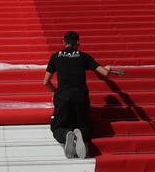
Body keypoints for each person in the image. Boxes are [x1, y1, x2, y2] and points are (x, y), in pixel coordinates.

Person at [44, 31, 112, 159]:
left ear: (63, 42)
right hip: (80, 96)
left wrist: (55, 92)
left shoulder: (55, 56)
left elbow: (45, 82)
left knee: (57, 126)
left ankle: (66, 134)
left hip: (63, 96)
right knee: (85, 126)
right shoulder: (84, 56)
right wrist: (107, 68)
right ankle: (80, 133)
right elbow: (104, 73)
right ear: (78, 43)